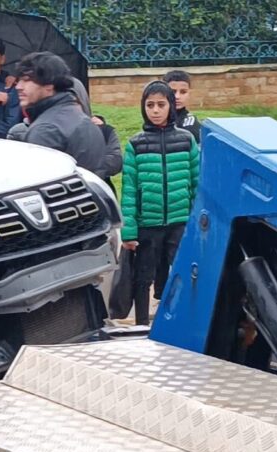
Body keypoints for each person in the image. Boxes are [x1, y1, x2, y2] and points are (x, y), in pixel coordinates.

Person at [120, 81, 199, 328]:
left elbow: (197, 183)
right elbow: (129, 190)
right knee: (143, 278)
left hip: (180, 221)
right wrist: (129, 230)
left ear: (170, 106)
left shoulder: (186, 140)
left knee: (183, 273)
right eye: (150, 105)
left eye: (161, 105)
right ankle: (142, 324)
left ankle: (181, 321)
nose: (155, 110)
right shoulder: (136, 144)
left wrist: (197, 221)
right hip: (148, 223)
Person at [13, 52, 105, 177]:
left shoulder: (46, 129)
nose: (18, 87)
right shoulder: (78, 115)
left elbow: (38, 181)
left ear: (49, 86)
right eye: (19, 80)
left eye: (26, 80)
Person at [163, 70, 201, 144]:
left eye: (183, 92)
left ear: (189, 93)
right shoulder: (156, 119)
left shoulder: (190, 123)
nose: (177, 96)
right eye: (173, 92)